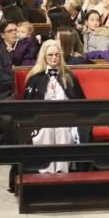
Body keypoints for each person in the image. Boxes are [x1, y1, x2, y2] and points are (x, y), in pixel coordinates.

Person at [23, 40, 86, 174]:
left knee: (62, 131)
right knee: (46, 130)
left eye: (57, 55)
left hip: (65, 118)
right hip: (41, 120)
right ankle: (45, 172)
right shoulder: (35, 78)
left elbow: (80, 101)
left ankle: (61, 172)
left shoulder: (68, 76)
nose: (54, 58)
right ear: (44, 56)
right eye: (50, 55)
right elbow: (28, 104)